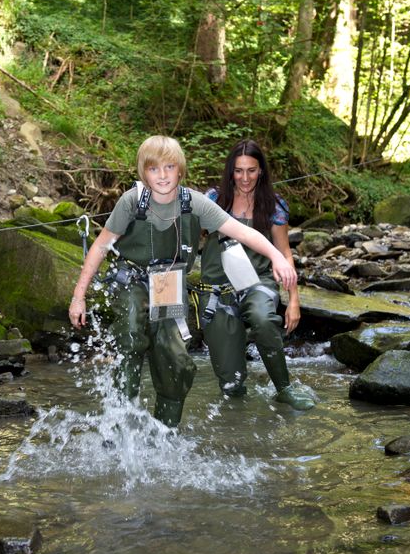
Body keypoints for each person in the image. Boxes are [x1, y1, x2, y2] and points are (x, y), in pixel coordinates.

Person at [68, 135, 297, 427]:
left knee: (173, 356)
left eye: (169, 168)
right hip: (132, 279)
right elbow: (100, 247)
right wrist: (79, 295)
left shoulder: (196, 202)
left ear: (180, 170)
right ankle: (119, 422)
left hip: (168, 283)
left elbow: (243, 232)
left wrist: (277, 257)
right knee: (131, 333)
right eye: (154, 169)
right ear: (143, 172)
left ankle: (166, 431)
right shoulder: (131, 201)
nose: (162, 176)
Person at [195, 138, 315, 410]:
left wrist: (294, 300)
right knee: (231, 386)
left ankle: (283, 388)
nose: (245, 178)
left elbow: (284, 253)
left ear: (261, 170)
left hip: (258, 283)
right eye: (239, 171)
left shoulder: (274, 205)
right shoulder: (213, 200)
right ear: (230, 171)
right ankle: (239, 424)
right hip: (217, 289)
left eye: (251, 170)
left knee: (262, 319)